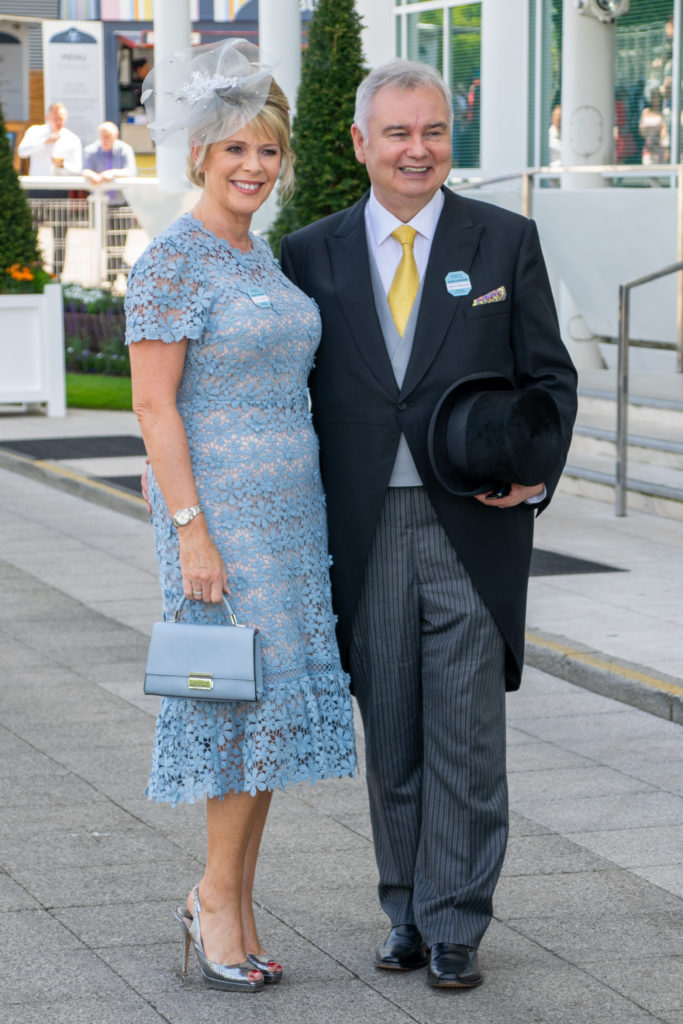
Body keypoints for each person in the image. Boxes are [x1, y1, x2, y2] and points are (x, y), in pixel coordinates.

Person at [280, 60, 577, 989]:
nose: (419, 150)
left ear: (451, 140)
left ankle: (457, 923)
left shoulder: (504, 241)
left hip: (471, 530)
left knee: (466, 736)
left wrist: (533, 475)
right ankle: (404, 907)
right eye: (399, 133)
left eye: (435, 131)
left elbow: (550, 379)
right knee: (394, 737)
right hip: (362, 532)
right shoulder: (308, 254)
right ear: (360, 143)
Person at [125, 39, 356, 995]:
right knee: (234, 707)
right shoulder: (173, 260)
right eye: (236, 153)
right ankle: (214, 898)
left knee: (271, 706)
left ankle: (235, 901)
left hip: (293, 519)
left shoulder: (255, 253)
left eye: (268, 152)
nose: (255, 168)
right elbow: (152, 406)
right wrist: (192, 532)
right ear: (199, 158)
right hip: (217, 516)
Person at [17, 102, 82, 178]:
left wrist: (63, 165)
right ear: (47, 117)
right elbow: (22, 152)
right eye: (55, 119)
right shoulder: (35, 131)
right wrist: (45, 142)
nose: (58, 122)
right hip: (38, 184)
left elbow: (78, 170)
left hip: (62, 185)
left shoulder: (72, 139)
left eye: (61, 119)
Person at [82, 121, 137, 205]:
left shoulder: (125, 149)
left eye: (107, 136)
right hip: (98, 202)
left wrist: (113, 173)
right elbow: (84, 170)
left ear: (116, 136)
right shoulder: (90, 150)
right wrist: (92, 175)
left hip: (122, 202)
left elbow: (131, 171)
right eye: (102, 137)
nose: (104, 140)